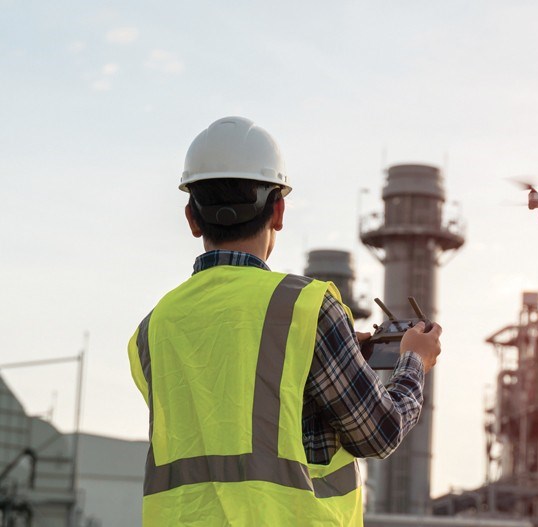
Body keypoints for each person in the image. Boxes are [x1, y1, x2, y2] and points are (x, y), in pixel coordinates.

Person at [127, 116, 442, 526]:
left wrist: (333, 354)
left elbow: (232, 411)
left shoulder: (153, 329)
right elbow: (379, 432)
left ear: (191, 217)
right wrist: (415, 361)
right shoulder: (305, 309)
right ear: (278, 210)